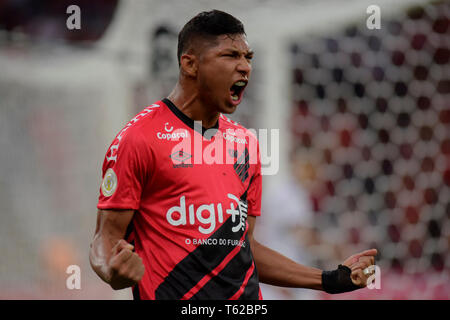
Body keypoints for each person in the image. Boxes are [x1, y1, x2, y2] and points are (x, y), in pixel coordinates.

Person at [89, 10, 377, 300]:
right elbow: (105, 239)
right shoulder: (139, 138)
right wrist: (112, 269)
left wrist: (328, 279)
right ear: (190, 64)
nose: (245, 67)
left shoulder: (245, 144)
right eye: (230, 56)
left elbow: (243, 247)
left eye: (248, 57)